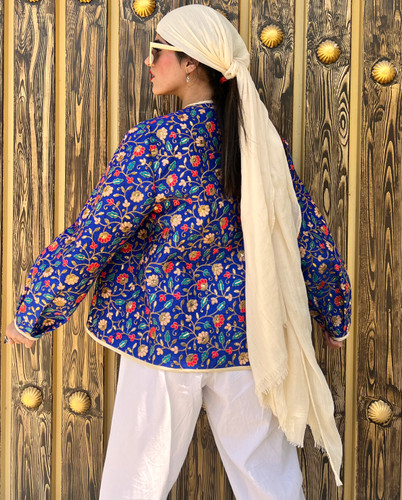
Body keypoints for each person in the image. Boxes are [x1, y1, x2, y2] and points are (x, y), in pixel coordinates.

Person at [5, 5, 351, 499]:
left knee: (134, 486)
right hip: (247, 339)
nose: (149, 61)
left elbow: (95, 234)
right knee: (269, 485)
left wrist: (34, 311)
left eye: (158, 51)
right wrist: (334, 313)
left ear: (190, 62)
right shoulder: (260, 143)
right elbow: (304, 232)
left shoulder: (156, 144)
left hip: (162, 340)